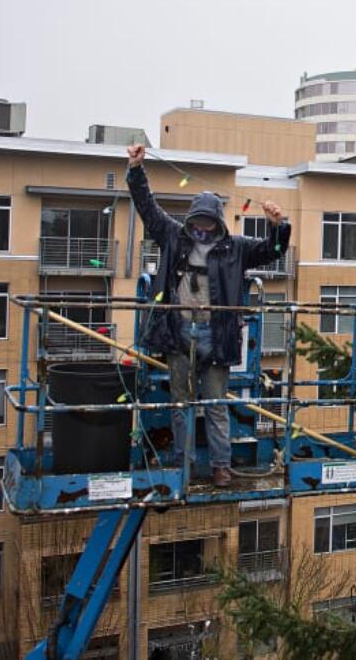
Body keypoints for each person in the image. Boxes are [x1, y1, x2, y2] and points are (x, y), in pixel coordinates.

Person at [127, 143, 291, 487]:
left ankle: (221, 466)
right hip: (179, 332)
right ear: (189, 223)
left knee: (216, 405)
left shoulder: (236, 249)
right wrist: (136, 169)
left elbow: (271, 251)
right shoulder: (172, 236)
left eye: (208, 225)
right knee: (180, 404)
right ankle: (182, 466)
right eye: (197, 225)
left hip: (215, 337)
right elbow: (147, 207)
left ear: (217, 224)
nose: (202, 231)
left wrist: (279, 226)